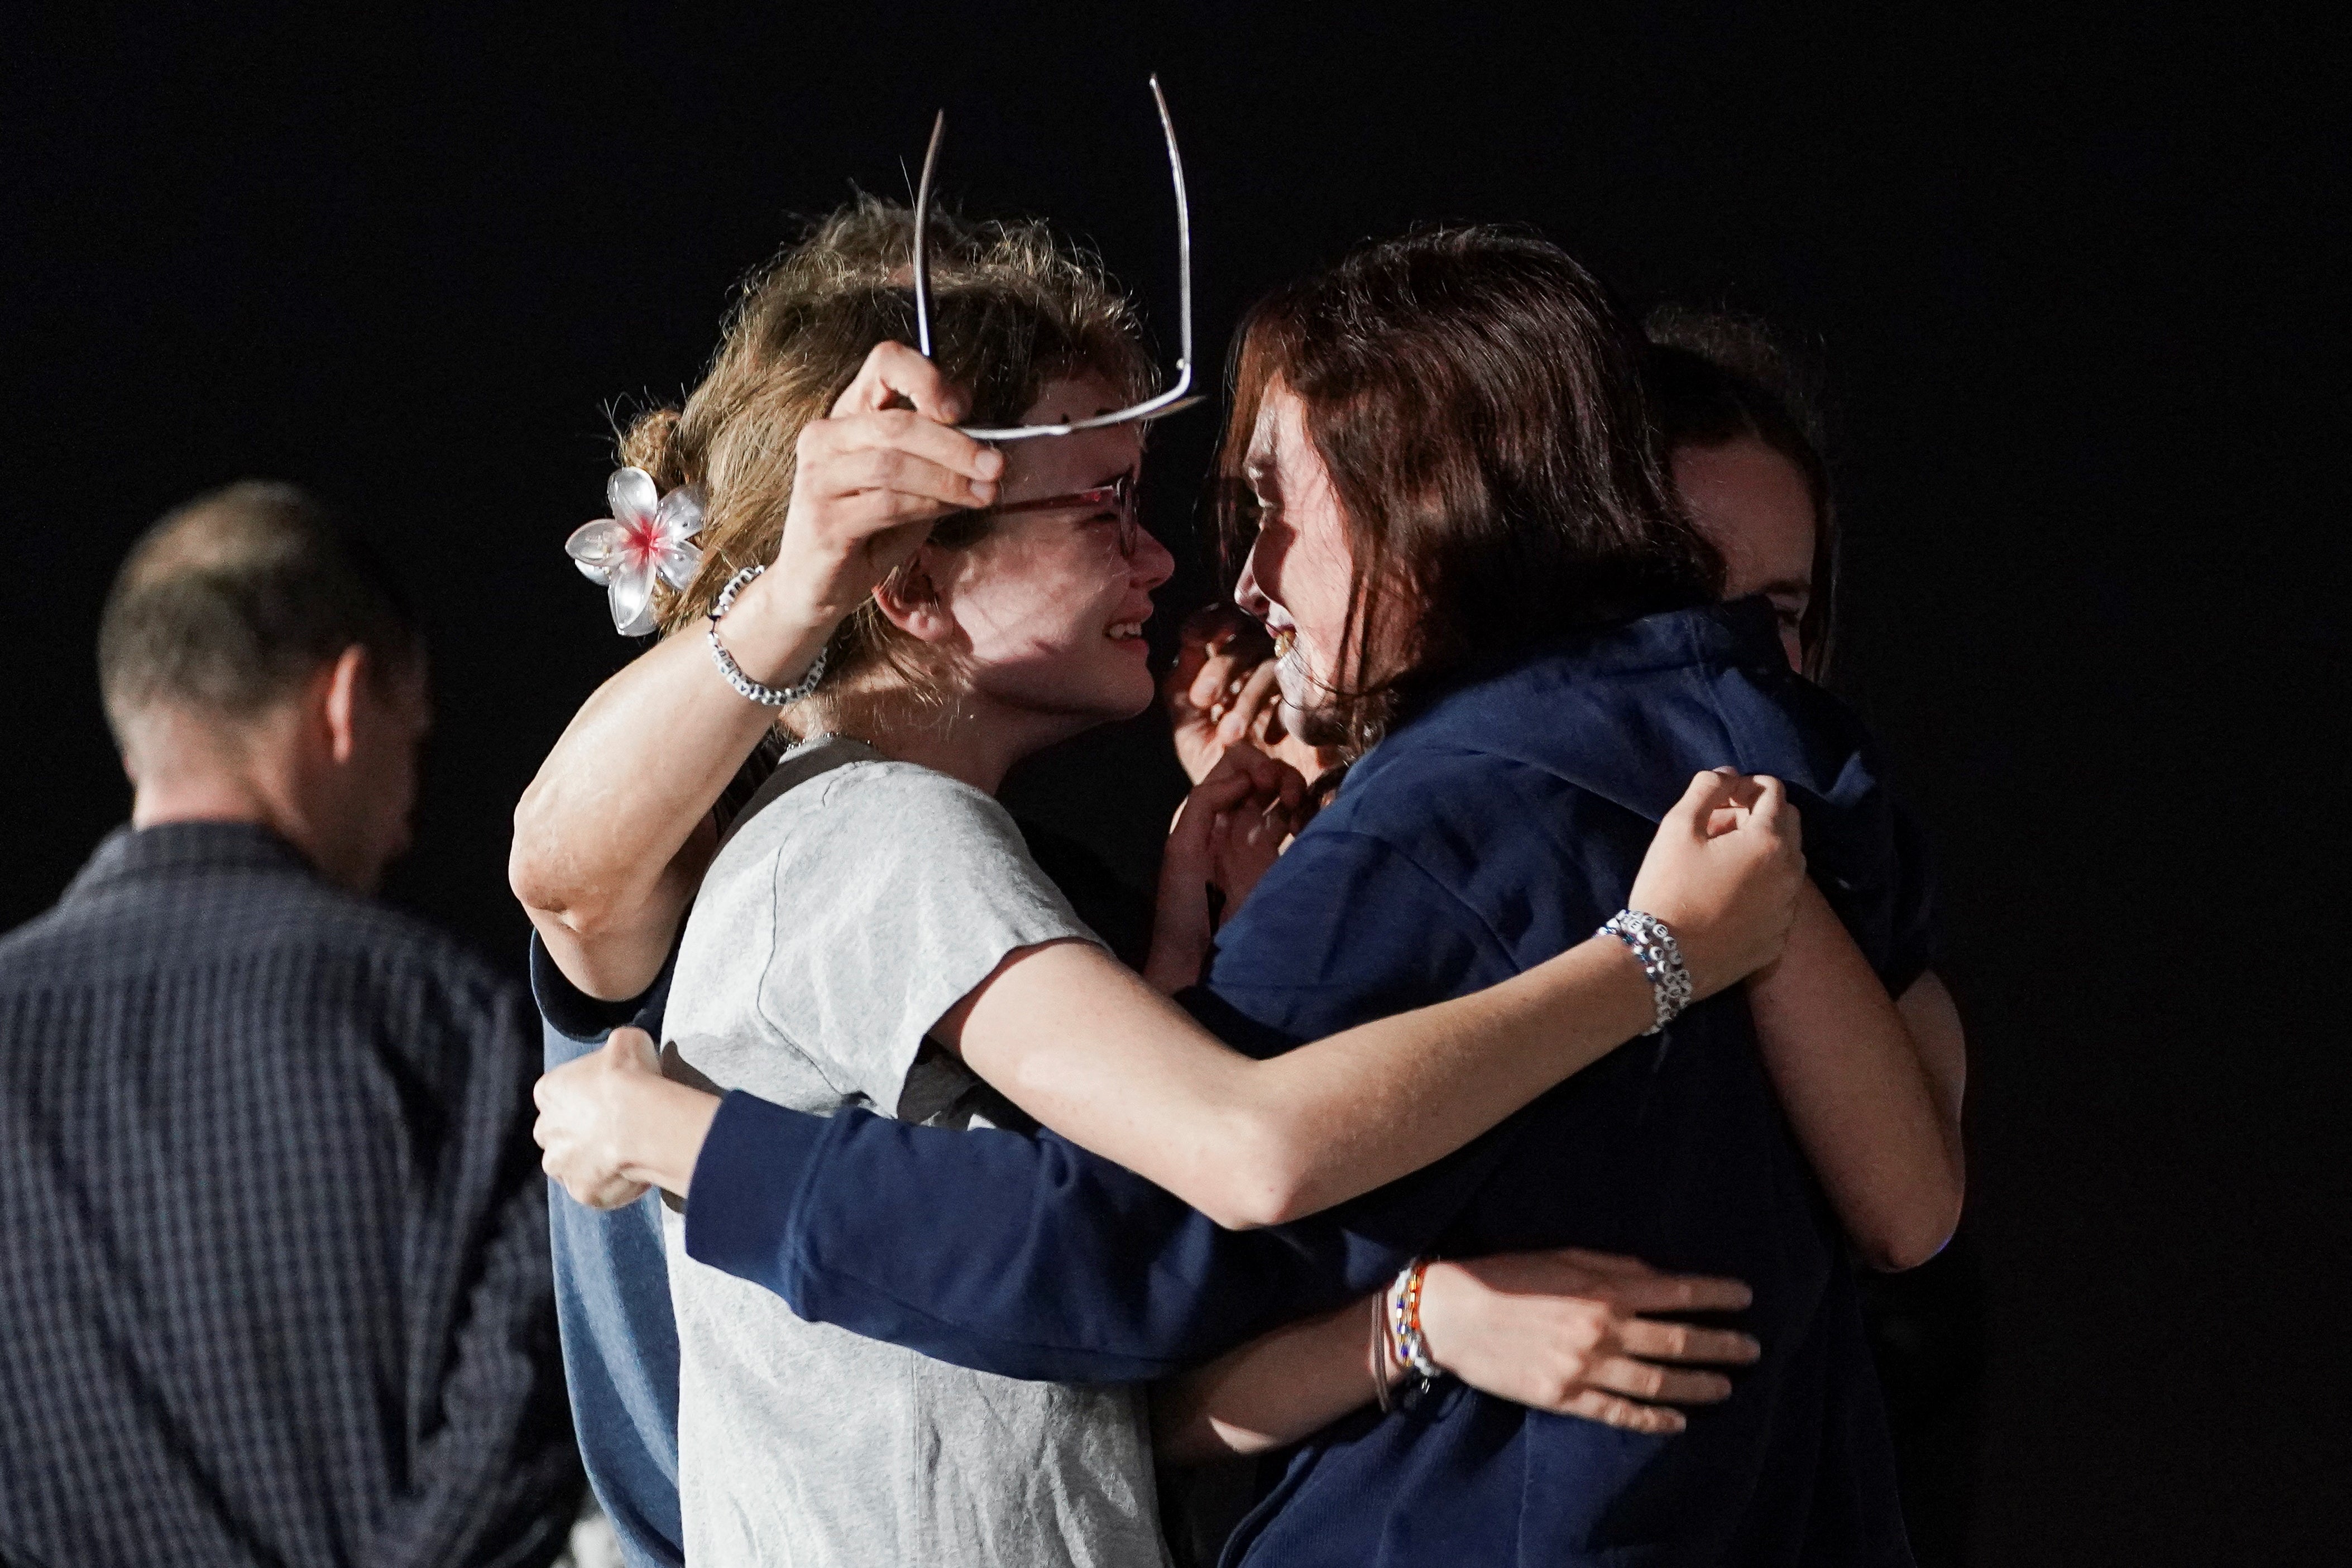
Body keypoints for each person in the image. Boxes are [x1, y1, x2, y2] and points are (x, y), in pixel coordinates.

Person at [529, 227, 1962, 1565]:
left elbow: (1136, 1254)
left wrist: (700, 1148)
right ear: (904, 579)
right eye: (1108, 509)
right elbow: (1193, 1194)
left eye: (1264, 506)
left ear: (1426, 497)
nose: (1209, 568)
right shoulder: (884, 840)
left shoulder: (1429, 830)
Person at [0, 483, 581, 1568]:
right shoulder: (451, 1023)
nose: (410, 804)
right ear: (346, 702)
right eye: (415, 735)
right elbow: (526, 1420)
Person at [1647, 304, 1981, 1564]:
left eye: (1775, 616)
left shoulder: (1871, 926)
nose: (1731, 665)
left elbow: (1908, 1210)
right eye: (1681, 603)